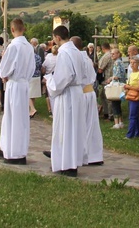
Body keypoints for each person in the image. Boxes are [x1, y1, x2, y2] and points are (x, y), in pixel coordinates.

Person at [45, 25, 85, 177]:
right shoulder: (77, 52)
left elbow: (63, 77)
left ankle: (66, 164)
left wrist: (50, 81)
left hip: (67, 93)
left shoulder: (64, 53)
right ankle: (71, 162)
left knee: (65, 129)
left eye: (54, 38)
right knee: (73, 129)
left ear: (58, 38)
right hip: (76, 92)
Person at [0, 19, 33, 165]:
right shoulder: (29, 47)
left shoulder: (13, 46)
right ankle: (6, 147)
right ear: (24, 29)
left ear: (12, 29)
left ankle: (15, 153)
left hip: (14, 84)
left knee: (13, 118)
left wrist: (4, 74)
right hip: (24, 84)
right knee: (17, 118)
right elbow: (31, 67)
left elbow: (5, 68)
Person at [73, 36, 103, 166]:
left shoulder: (78, 58)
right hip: (89, 93)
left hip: (83, 94)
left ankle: (82, 153)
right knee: (91, 124)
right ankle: (93, 154)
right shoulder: (86, 58)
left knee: (81, 124)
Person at [124, 56, 139, 139]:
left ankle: (130, 134)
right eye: (131, 63)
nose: (132, 65)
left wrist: (129, 87)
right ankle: (137, 133)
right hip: (131, 96)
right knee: (136, 116)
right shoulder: (132, 73)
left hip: (137, 97)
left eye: (134, 63)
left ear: (138, 64)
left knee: (132, 116)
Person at [108, 48, 126, 129]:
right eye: (111, 53)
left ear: (118, 54)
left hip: (116, 86)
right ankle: (120, 121)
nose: (112, 55)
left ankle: (116, 123)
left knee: (114, 104)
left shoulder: (117, 63)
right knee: (118, 104)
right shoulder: (121, 62)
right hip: (121, 85)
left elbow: (117, 75)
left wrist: (110, 78)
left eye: (113, 54)